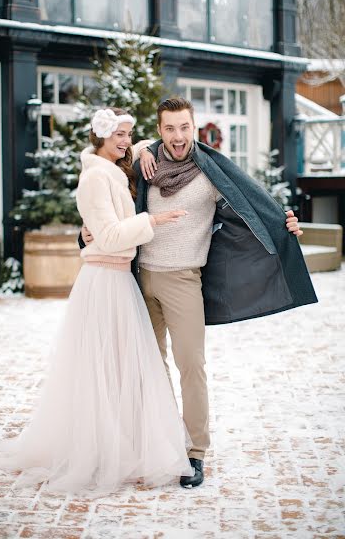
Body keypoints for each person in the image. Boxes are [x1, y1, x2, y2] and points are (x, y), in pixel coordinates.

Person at [81, 97, 317, 489]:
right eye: (169, 128)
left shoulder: (209, 173)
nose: (177, 136)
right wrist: (84, 233)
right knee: (148, 369)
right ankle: (157, 444)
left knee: (191, 366)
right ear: (158, 130)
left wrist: (284, 223)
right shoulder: (142, 165)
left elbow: (249, 202)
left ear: (194, 127)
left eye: (184, 127)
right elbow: (108, 209)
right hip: (136, 280)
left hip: (184, 279)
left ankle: (195, 452)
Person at [0, 107, 193, 496]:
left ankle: (121, 445)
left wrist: (143, 147)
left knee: (118, 369)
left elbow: (142, 150)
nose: (127, 142)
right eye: (120, 136)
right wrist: (153, 222)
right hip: (104, 283)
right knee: (102, 371)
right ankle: (97, 451)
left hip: (118, 280)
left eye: (129, 135)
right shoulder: (96, 177)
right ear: (101, 137)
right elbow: (110, 237)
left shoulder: (112, 169)